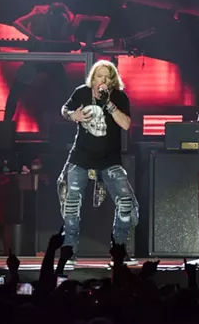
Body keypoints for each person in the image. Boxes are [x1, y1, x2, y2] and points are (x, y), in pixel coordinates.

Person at [57, 60, 139, 265]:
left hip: (109, 159)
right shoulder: (81, 92)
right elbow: (64, 109)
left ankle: (119, 248)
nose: (103, 80)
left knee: (126, 199)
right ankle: (69, 249)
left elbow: (126, 124)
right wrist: (72, 115)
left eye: (107, 77)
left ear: (112, 80)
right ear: (93, 78)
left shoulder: (119, 97)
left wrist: (109, 105)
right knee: (72, 202)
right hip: (81, 157)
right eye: (99, 76)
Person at [3, 2, 75, 126]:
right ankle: (5, 125)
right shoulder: (39, 13)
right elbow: (17, 22)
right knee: (16, 89)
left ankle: (68, 124)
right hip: (35, 59)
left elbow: (69, 37)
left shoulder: (66, 16)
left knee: (63, 89)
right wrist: (32, 36)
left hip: (52, 59)